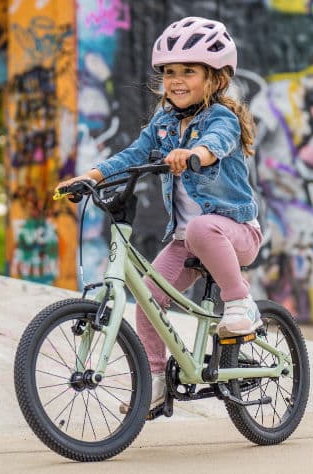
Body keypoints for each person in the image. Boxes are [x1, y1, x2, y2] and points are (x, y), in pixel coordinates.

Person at [55, 16, 262, 415]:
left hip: (236, 233)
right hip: (188, 242)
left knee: (202, 227)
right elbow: (132, 154)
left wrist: (194, 154)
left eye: (189, 71)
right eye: (169, 72)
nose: (176, 80)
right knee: (148, 298)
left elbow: (216, 144)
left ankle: (241, 304)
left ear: (216, 78)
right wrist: (90, 177)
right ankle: (155, 379)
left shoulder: (221, 118)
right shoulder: (163, 123)